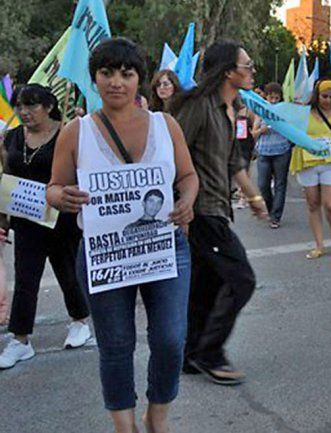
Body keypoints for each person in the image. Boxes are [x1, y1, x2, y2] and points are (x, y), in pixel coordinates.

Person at [46, 37, 199, 433]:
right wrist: (63, 196)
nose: (117, 82)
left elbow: (187, 176)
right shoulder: (75, 132)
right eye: (107, 73)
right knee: (115, 345)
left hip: (166, 248)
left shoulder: (166, 125)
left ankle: (157, 416)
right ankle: (124, 425)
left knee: (170, 338)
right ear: (94, 78)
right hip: (105, 254)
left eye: (127, 74)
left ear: (139, 80)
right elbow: (53, 187)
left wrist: (187, 201)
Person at [172, 40, 268, 385]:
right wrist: (177, 206)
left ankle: (188, 354)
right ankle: (210, 353)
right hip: (199, 210)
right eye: (247, 64)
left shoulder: (234, 107)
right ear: (228, 71)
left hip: (218, 208)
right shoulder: (199, 105)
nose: (252, 70)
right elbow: (173, 153)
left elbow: (233, 162)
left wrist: (255, 199)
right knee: (241, 279)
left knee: (206, 285)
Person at [0, 84, 91, 371]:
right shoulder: (11, 138)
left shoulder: (67, 134)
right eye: (19, 106)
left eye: (31, 105)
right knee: (26, 278)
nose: (24, 112)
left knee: (68, 272)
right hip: (26, 220)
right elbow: (5, 177)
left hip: (62, 217)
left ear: (49, 106)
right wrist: (2, 217)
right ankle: (20, 340)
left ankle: (79, 322)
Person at [290, 79, 331, 259]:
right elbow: (294, 132)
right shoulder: (305, 113)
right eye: (324, 96)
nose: (328, 100)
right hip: (308, 162)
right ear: (317, 96)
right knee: (313, 204)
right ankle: (319, 245)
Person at [254, 82, 293, 229]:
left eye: (277, 98)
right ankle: (271, 208)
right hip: (264, 151)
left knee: (280, 184)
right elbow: (253, 132)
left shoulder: (284, 111)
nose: (274, 100)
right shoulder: (260, 110)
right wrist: (260, 131)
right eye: (271, 97)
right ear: (266, 96)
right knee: (263, 185)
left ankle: (276, 216)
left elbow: (292, 130)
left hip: (282, 150)